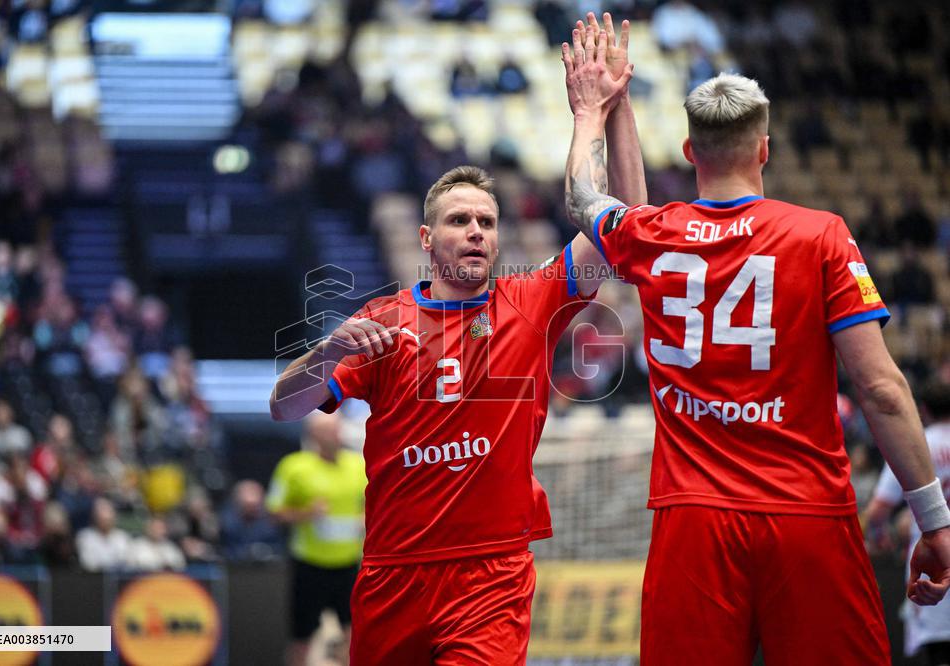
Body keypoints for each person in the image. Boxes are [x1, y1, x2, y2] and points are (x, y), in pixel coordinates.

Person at [560, 14, 950, 665]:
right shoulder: (821, 235)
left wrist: (596, 107)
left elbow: (584, 197)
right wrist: (933, 518)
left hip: (694, 520)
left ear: (690, 154)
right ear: (764, 149)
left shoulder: (659, 235)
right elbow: (880, 390)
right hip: (806, 512)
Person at [269, 44, 642, 658]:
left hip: (490, 575)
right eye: (459, 220)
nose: (475, 232)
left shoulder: (532, 300)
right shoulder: (380, 323)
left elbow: (622, 225)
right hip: (394, 574)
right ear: (426, 238)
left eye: (487, 223)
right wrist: (326, 349)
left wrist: (601, 113)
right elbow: (285, 407)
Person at [265, 411, 366, 666]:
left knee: (355, 635)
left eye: (337, 427)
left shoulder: (358, 465)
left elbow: (375, 503)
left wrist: (364, 518)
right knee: (301, 637)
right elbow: (274, 512)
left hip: (349, 565)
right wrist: (306, 513)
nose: (336, 433)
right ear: (314, 435)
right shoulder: (293, 467)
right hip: (309, 565)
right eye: (328, 429)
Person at [866, 381, 950, 666]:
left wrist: (880, 534)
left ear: (923, 410)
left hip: (934, 567)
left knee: (939, 652)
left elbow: (878, 510)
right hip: (936, 559)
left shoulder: (918, 444)